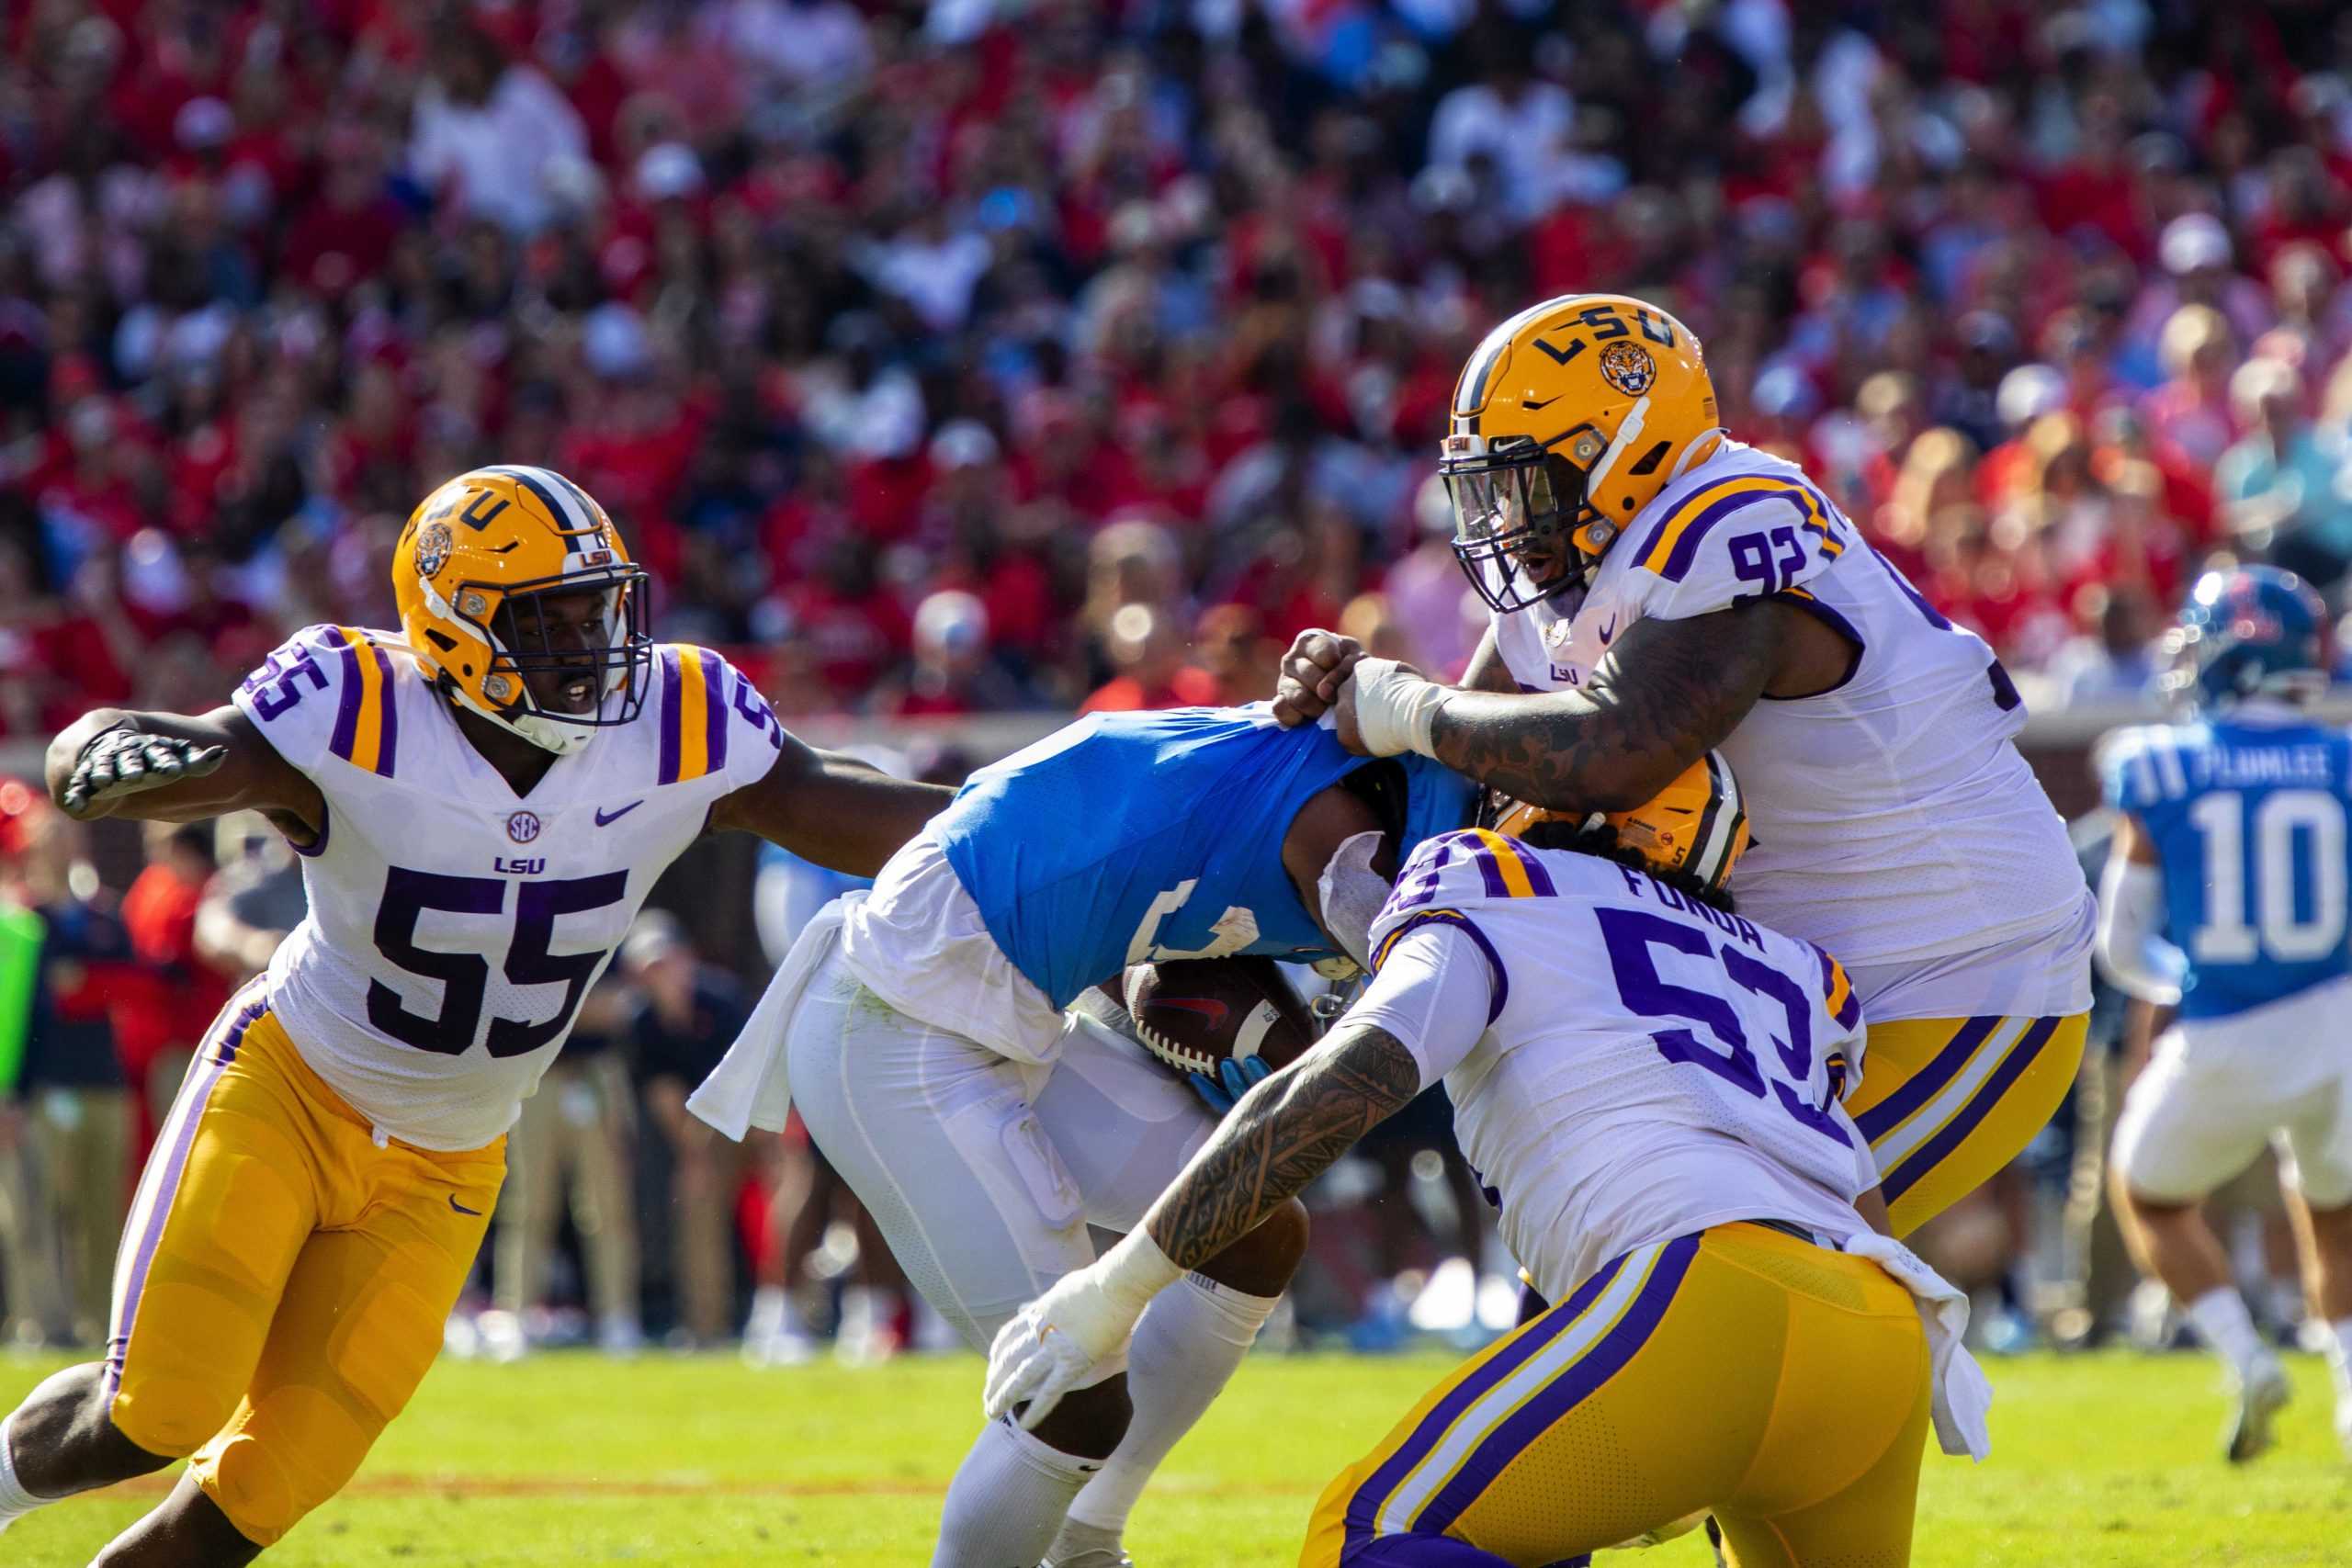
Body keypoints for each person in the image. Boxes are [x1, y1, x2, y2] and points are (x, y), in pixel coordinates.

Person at [0, 465, 950, 1564]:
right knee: (157, 1411)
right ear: (454, 630)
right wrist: (99, 752)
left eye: (600, 610)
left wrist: (1037, 823)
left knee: (263, 1490)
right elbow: (190, 746)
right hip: (291, 1094)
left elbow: (841, 803)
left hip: (452, 1160)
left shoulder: (678, 720)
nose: (595, 645)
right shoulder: (358, 703)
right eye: (552, 621)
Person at [987, 756, 1989, 1567]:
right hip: (1879, 1330)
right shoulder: (1796, 970)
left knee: (1369, 1542)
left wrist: (1117, 1290)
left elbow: (1342, 1084)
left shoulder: (1492, 877)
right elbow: (1857, 1191)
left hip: (1701, 1295)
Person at [1274, 292, 2096, 1243]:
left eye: (1528, 480)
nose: (1505, 515)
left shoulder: (1730, 517)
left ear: (1624, 451)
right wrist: (1343, 708)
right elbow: (1472, 770)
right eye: (1490, 486)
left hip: (1957, 970)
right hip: (1779, 992)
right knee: (1632, 1269)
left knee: (1761, 1252)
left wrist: (1401, 706)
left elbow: (1610, 752)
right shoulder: (1573, 570)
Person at [690, 703, 1475, 1568]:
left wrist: (1143, 979)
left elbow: (1081, 866)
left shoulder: (1281, 769)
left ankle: (1086, 1539)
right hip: (892, 1028)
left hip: (1002, 1010)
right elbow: (1393, 985)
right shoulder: (1337, 835)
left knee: (1247, 1224)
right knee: (1068, 1387)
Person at [2095, 565, 2352, 1462]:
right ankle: (2351, 1391)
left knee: (2149, 1195)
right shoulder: (2343, 761)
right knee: (2334, 1213)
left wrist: (2187, 980)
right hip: (2342, 1023)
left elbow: (2122, 948)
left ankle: (2246, 1359)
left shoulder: (2158, 763)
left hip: (2225, 1030)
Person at [620, 912, 752, 1348]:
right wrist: (694, 1156)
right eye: (649, 967)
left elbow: (746, 1075)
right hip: (702, 1125)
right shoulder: (643, 1024)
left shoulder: (723, 1000)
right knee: (698, 1205)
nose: (662, 974)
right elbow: (665, 1097)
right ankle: (707, 1326)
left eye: (667, 961)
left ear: (686, 958)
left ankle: (792, 1312)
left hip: (753, 1112)